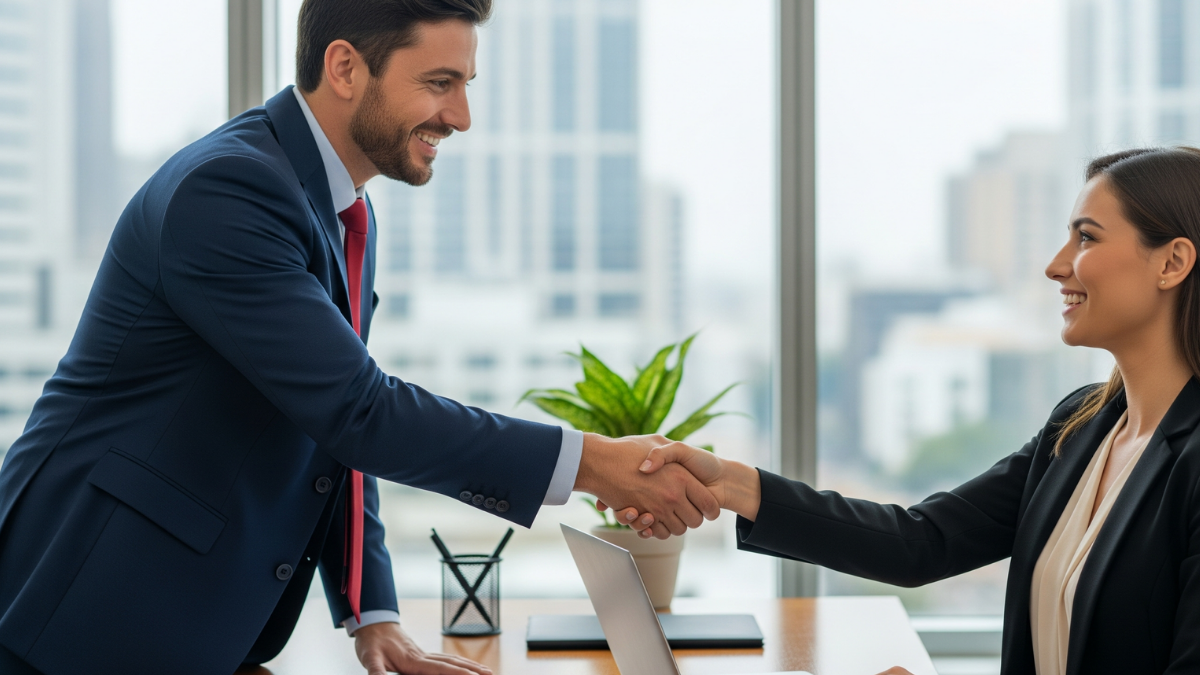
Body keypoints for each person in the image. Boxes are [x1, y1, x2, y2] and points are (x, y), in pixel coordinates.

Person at [0, 1, 718, 674]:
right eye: (440, 82)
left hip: (184, 621)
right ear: (345, 68)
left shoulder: (338, 207)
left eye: (466, 84)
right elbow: (360, 411)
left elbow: (327, 418)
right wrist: (591, 463)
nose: (462, 116)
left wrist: (373, 609)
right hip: (81, 610)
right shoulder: (227, 191)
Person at [617, 147, 1200, 675]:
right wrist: (731, 485)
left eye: (1087, 238)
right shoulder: (1081, 429)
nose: (1055, 264)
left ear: (1172, 262)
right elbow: (923, 540)